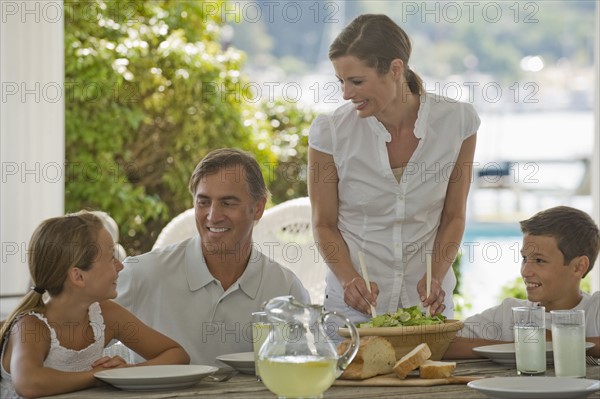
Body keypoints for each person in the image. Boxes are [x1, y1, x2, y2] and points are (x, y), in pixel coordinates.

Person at [308, 14, 480, 324]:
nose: (346, 93)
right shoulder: (329, 133)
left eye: (357, 81)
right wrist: (349, 280)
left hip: (427, 308)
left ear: (396, 69)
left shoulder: (458, 123)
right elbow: (324, 224)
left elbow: (454, 215)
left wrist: (436, 278)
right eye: (341, 81)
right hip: (352, 310)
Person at [116, 148, 310, 365]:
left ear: (258, 208)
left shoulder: (287, 290)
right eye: (204, 202)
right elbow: (79, 342)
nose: (213, 216)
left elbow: (297, 372)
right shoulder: (141, 274)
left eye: (227, 203)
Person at [0, 211, 189, 399]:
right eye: (110, 258)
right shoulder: (31, 326)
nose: (120, 266)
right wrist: (99, 376)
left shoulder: (107, 315)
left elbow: (177, 355)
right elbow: (29, 383)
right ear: (78, 276)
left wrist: (124, 373)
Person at [444, 206, 600, 359]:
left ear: (578, 267)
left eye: (540, 260)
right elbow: (441, 344)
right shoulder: (508, 314)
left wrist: (555, 341)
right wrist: (520, 346)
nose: (525, 271)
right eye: (525, 258)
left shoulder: (595, 311)